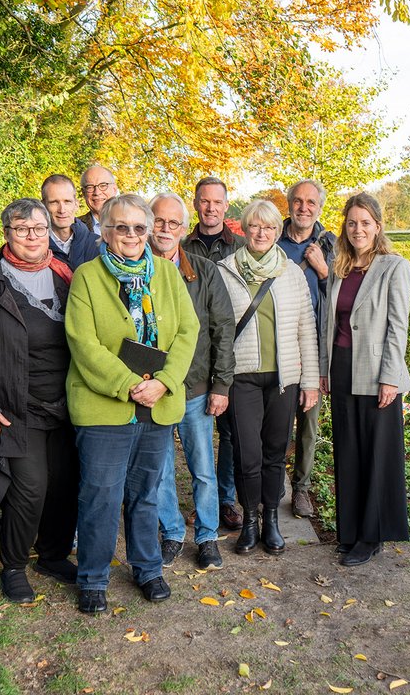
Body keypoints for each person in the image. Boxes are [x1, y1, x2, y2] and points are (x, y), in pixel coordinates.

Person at [66, 193, 198, 614]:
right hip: (105, 406)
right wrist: (127, 384)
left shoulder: (166, 273)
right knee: (100, 495)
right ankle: (92, 577)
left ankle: (147, 568)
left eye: (139, 227)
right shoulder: (86, 277)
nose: (131, 235)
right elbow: (83, 343)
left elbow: (187, 332)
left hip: (155, 405)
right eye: (121, 227)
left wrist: (164, 382)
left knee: (146, 493)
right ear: (105, 231)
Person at [0, 199, 79, 602]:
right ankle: (14, 564)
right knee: (30, 487)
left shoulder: (65, 277)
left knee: (64, 483)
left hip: (67, 404)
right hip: (14, 407)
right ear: (6, 234)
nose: (32, 237)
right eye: (21, 230)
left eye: (38, 229)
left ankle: (53, 555)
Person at [217, 200, 318, 555]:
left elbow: (307, 329)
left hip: (284, 378)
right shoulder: (225, 270)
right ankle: (249, 521)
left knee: (275, 452)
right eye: (256, 227)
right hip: (242, 378)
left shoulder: (291, 273)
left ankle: (272, 519)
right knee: (248, 454)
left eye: (270, 227)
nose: (262, 233)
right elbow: (217, 329)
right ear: (245, 229)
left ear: (277, 231)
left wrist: (310, 382)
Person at [319, 193, 410, 567]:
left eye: (365, 223)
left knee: (376, 454)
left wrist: (391, 377)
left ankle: (372, 537)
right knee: (348, 452)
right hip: (342, 368)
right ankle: (350, 531)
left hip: (377, 374)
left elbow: (397, 326)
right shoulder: (339, 266)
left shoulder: (394, 266)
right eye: (352, 222)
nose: (358, 229)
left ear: (377, 226)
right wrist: (326, 369)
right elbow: (330, 324)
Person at [148, 193, 235, 570]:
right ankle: (170, 533)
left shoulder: (202, 271)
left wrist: (221, 385)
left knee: (202, 468)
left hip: (196, 388)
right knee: (162, 467)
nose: (165, 229)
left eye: (173, 223)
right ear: (150, 224)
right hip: (151, 390)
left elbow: (223, 329)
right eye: (159, 221)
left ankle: (206, 535)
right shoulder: (136, 270)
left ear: (184, 229)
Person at [180, 176, 246, 531]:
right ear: (196, 204)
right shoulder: (180, 247)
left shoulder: (241, 247)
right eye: (204, 201)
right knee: (199, 441)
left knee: (231, 433)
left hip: (234, 351)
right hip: (195, 360)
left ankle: (225, 499)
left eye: (217, 202)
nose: (210, 208)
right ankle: (200, 504)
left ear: (225, 205)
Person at [277, 179, 335, 519]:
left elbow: (346, 293)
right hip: (282, 345)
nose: (304, 207)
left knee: (309, 424)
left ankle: (301, 489)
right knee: (278, 424)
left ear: (319, 207)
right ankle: (272, 485)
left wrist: (324, 271)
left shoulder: (331, 245)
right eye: (297, 201)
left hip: (314, 347)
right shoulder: (274, 241)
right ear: (289, 205)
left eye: (311, 202)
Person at [43, 174, 98, 269]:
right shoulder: (36, 246)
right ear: (43, 206)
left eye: (67, 201)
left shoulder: (98, 245)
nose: (62, 210)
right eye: (54, 202)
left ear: (76, 204)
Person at [78, 165, 117, 236]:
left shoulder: (134, 222)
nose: (97, 192)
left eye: (103, 185)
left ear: (114, 189)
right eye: (90, 187)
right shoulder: (73, 228)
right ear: (83, 193)